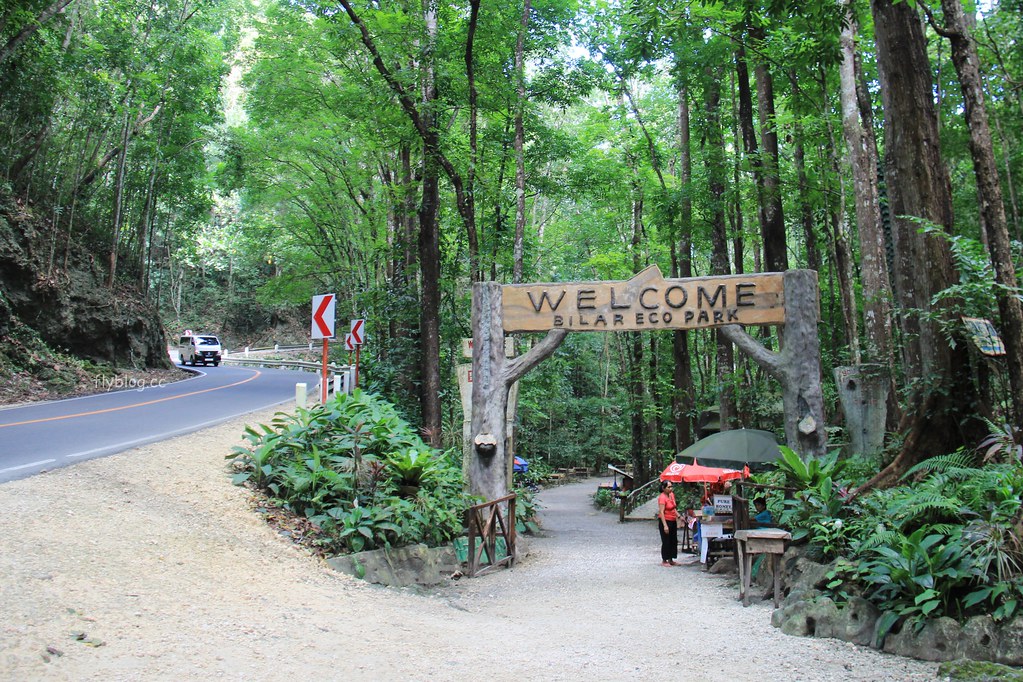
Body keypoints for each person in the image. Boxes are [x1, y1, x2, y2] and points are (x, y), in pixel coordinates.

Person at [657, 480, 679, 566]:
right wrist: (665, 525)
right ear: (663, 488)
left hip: (673, 519)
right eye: (668, 487)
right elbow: (661, 512)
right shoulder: (662, 498)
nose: (670, 489)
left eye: (671, 487)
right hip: (665, 520)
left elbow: (673, 508)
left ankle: (671, 559)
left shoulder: (671, 495)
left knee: (673, 540)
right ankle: (664, 560)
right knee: (666, 540)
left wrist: (679, 516)